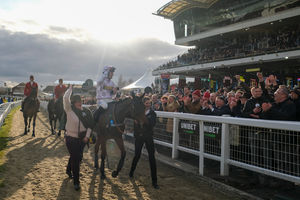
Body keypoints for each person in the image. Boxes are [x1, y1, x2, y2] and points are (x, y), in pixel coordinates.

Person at [63, 85, 94, 191]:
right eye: (76, 101)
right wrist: (70, 89)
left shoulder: (87, 111)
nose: (79, 102)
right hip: (71, 139)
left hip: (82, 139)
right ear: (73, 102)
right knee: (76, 159)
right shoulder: (69, 110)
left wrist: (87, 137)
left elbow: (90, 125)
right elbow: (65, 98)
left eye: (80, 100)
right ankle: (76, 182)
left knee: (77, 157)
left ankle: (68, 170)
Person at [129, 96, 159, 189]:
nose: (148, 105)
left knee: (152, 158)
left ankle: (154, 181)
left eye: (149, 103)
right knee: (137, 155)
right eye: (146, 103)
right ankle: (131, 172)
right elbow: (135, 126)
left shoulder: (153, 113)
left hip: (148, 137)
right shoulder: (138, 114)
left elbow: (151, 124)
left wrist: (142, 120)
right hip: (139, 137)